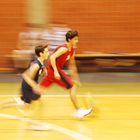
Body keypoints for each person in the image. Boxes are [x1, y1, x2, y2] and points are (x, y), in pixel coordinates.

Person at [40, 30, 93, 118]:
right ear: (69, 40)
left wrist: (76, 78)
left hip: (52, 72)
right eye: (75, 39)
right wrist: (56, 71)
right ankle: (78, 111)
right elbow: (52, 57)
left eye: (77, 39)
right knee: (72, 87)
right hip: (54, 71)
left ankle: (24, 99)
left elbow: (72, 65)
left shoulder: (72, 50)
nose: (77, 41)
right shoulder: (64, 48)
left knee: (38, 90)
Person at [0, 44, 49, 117]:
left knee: (25, 104)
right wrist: (35, 86)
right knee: (37, 104)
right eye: (46, 52)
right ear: (41, 54)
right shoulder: (36, 65)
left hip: (29, 87)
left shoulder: (41, 63)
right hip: (28, 88)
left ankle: (2, 105)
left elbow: (40, 73)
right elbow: (26, 76)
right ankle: (36, 123)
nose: (48, 53)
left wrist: (44, 72)